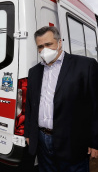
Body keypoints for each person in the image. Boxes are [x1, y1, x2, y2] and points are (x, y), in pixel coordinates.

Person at [24, 26, 98, 172]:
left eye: (48, 44)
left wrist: (95, 141)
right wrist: (29, 133)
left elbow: (95, 106)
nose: (44, 49)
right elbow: (31, 106)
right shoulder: (34, 72)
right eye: (40, 46)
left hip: (73, 143)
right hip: (42, 141)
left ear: (59, 43)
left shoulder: (85, 66)